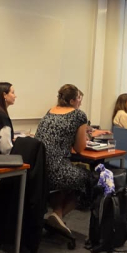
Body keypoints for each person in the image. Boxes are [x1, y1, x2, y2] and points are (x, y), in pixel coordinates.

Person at [35, 84, 94, 236]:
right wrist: (84, 136)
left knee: (69, 176)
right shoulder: (78, 115)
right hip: (57, 171)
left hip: (40, 170)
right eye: (79, 98)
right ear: (73, 100)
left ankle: (56, 215)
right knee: (88, 178)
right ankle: (58, 216)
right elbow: (79, 148)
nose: (80, 101)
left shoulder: (50, 111)